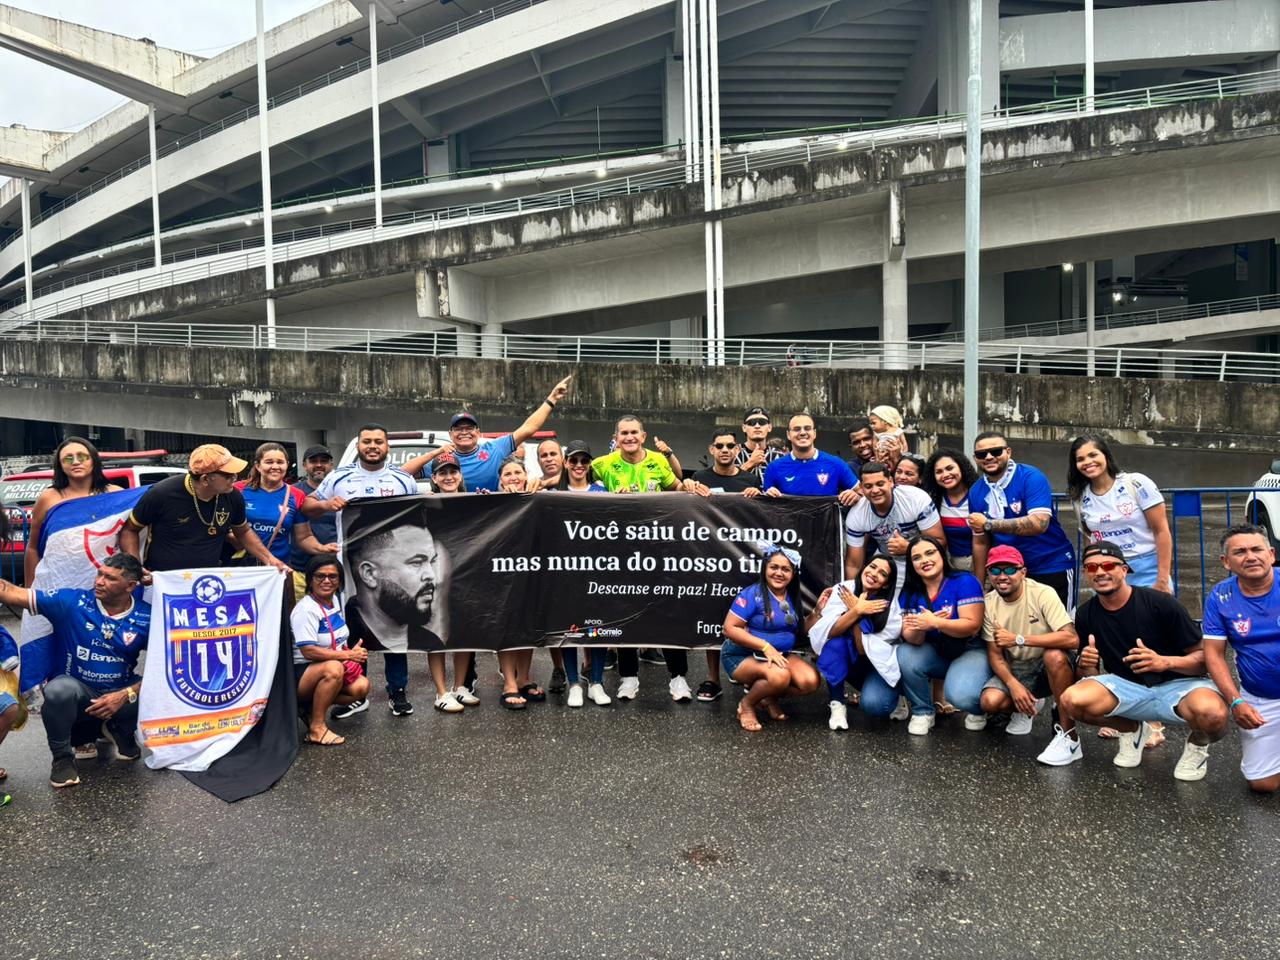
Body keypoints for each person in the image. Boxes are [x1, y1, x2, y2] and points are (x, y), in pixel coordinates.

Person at [1058, 541, 1228, 780]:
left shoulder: (1160, 603)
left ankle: (1197, 746)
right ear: (1086, 573)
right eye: (1092, 567)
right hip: (1128, 687)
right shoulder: (1086, 614)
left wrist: (1164, 662)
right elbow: (1091, 677)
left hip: (1180, 685)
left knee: (1213, 715)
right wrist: (1086, 664)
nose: (1100, 572)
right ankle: (1133, 730)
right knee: (1072, 701)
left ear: (1124, 570)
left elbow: (1205, 659)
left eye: (1108, 565)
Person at [0, 553, 150, 789]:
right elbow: (12, 593)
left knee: (153, 690)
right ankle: (62, 759)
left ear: (130, 586)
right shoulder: (71, 602)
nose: (99, 581)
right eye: (99, 574)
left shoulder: (148, 616)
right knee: (58, 690)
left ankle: (119, 730)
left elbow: (168, 668)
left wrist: (125, 694)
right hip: (79, 698)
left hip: (122, 696)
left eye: (110, 578)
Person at [303, 424, 419, 717]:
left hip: (392, 566)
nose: (372, 446)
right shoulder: (338, 477)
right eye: (367, 441)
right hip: (351, 566)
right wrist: (326, 504)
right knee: (355, 625)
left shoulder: (403, 479)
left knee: (394, 624)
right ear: (358, 446)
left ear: (387, 446)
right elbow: (308, 506)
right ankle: (358, 690)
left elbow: (419, 514)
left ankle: (398, 690)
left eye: (378, 441)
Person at [591, 416, 700, 701]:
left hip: (658, 551)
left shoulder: (658, 460)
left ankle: (678, 678)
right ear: (616, 438)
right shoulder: (602, 464)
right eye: (623, 433)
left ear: (643, 435)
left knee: (667, 611)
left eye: (634, 432)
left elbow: (676, 487)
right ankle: (628, 677)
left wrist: (688, 485)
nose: (629, 437)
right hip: (620, 553)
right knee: (626, 612)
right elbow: (574, 482)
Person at [963, 547, 1080, 756]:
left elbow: (1071, 639)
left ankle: (1069, 735)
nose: (1002, 576)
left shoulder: (1043, 593)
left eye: (1010, 570)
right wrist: (1013, 685)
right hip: (1019, 666)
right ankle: (1028, 705)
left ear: (1023, 572)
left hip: (1049, 663)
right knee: (990, 701)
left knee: (1053, 655)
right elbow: (995, 655)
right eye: (995, 570)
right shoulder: (988, 603)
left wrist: (1019, 639)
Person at [119, 444, 288, 576]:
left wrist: (269, 559)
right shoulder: (162, 493)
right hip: (164, 580)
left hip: (208, 580)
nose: (234, 478)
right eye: (228, 475)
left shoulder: (232, 496)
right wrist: (136, 567)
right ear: (206, 479)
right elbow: (130, 530)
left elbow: (243, 531)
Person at [1201, 525, 1280, 793]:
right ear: (1226, 562)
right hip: (1260, 698)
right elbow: (1213, 654)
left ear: (1271, 554)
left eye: (1257, 549)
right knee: (1262, 784)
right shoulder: (1219, 597)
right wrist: (1236, 701)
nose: (1251, 556)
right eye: (1240, 552)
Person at [967, 432, 1076, 610]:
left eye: (996, 451)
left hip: (1050, 564)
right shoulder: (976, 491)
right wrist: (978, 587)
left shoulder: (1030, 477)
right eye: (981, 454)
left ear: (1008, 452)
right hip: (1009, 572)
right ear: (975, 459)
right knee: (1015, 624)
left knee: (1059, 623)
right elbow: (980, 541)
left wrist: (988, 524)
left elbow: (1039, 524)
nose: (988, 457)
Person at [720, 543, 820, 732]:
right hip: (742, 655)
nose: (779, 573)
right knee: (780, 676)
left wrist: (817, 612)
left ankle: (767, 697)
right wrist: (766, 647)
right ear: (765, 568)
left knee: (810, 681)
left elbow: (799, 631)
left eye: (785, 569)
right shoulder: (752, 594)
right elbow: (729, 628)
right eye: (774, 567)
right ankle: (747, 705)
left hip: (780, 654)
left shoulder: (791, 596)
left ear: (793, 574)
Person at [412, 374, 572, 492]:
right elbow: (403, 473)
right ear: (450, 434)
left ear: (478, 432)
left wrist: (552, 399)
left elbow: (528, 429)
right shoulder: (444, 462)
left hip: (490, 521)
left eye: (469, 428)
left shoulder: (495, 449)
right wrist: (435, 453)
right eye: (459, 429)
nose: (464, 432)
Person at [895, 535, 988, 735]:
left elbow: (972, 626)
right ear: (911, 564)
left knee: (960, 696)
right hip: (936, 650)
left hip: (969, 649)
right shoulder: (910, 593)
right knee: (905, 653)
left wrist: (936, 622)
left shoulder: (964, 581)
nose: (925, 560)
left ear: (942, 555)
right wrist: (921, 626)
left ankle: (978, 708)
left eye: (930, 553)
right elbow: (912, 638)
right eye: (917, 557)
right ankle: (922, 711)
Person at [808, 553, 904, 730]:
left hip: (873, 664)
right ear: (864, 567)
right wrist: (857, 610)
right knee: (835, 645)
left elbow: (862, 649)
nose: (874, 574)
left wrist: (859, 613)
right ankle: (837, 703)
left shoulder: (889, 606)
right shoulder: (844, 589)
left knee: (875, 705)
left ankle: (896, 697)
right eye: (872, 567)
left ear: (886, 583)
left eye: (882, 573)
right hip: (847, 656)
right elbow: (831, 632)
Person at [1067, 435, 1172, 593]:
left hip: (1149, 570)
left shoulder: (1136, 483)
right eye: (1080, 459)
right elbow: (1089, 538)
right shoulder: (1079, 498)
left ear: (1106, 455)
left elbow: (1161, 531)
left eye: (1093, 455)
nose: (1087, 462)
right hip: (1107, 572)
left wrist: (1162, 580)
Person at [549, 441, 611, 706]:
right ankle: (574, 683)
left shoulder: (602, 492)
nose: (578, 465)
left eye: (584, 461)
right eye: (573, 460)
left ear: (589, 464)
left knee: (597, 627)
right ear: (566, 463)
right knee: (570, 628)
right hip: (566, 573)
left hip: (597, 571)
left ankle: (596, 682)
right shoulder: (554, 493)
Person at [421, 451, 480, 709]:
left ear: (460, 475)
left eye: (453, 471)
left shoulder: (473, 501)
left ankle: (459, 686)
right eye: (442, 472)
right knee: (437, 633)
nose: (448, 477)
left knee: (463, 633)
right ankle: (441, 692)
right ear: (434, 478)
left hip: (466, 576)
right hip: (435, 576)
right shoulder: (426, 504)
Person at [290, 556, 370, 745]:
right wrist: (348, 655)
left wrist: (348, 650)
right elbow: (308, 651)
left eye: (332, 576)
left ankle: (308, 708)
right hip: (299, 674)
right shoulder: (306, 610)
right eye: (320, 576)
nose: (326, 581)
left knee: (361, 687)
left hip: (322, 668)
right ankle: (317, 728)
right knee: (334, 669)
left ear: (339, 581)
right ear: (310, 580)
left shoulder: (333, 600)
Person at [24, 437, 123, 585]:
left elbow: (130, 537)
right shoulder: (49, 498)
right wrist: (29, 592)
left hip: (105, 584)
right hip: (58, 584)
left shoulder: (116, 495)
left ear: (93, 460)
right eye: (68, 459)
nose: (76, 462)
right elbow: (33, 548)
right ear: (60, 465)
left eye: (82, 457)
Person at [233, 442, 336, 568]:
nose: (275, 466)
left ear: (287, 464)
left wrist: (322, 548)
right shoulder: (238, 489)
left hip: (278, 568)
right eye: (269, 462)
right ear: (258, 465)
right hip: (242, 567)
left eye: (280, 462)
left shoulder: (296, 495)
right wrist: (237, 537)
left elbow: (304, 537)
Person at [843, 462, 944, 581]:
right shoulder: (857, 514)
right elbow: (853, 565)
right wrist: (852, 590)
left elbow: (940, 542)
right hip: (888, 566)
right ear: (861, 487)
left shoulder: (916, 498)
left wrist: (909, 548)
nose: (875, 490)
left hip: (924, 560)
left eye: (880, 484)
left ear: (890, 481)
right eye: (868, 486)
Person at [762, 414, 860, 506]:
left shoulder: (836, 464)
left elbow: (862, 492)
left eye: (807, 428)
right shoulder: (774, 468)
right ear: (788, 435)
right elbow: (765, 507)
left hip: (826, 519)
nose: (802, 433)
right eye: (797, 429)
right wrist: (768, 496)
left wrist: (855, 495)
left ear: (814, 433)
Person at [290, 444, 340, 602]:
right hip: (300, 571)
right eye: (313, 461)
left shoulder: (343, 490)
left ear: (331, 465)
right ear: (304, 465)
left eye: (324, 461)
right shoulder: (292, 493)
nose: (319, 465)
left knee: (334, 614)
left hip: (335, 572)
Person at [922, 449, 980, 572]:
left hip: (979, 565)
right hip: (948, 567)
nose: (945, 475)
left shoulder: (978, 495)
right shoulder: (934, 500)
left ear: (961, 467)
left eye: (950, 468)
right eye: (939, 472)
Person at [690, 431, 762, 495]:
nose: (725, 450)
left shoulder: (752, 480)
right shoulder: (699, 477)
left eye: (730, 446)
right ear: (711, 449)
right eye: (719, 446)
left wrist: (756, 494)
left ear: (737, 450)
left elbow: (757, 505)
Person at [734, 407, 785, 480]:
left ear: (769, 427)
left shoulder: (779, 456)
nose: (757, 426)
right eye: (751, 423)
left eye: (762, 422)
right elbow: (725, 482)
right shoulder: (732, 453)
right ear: (744, 428)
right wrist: (749, 464)